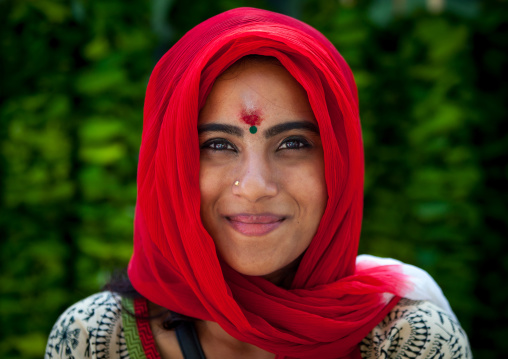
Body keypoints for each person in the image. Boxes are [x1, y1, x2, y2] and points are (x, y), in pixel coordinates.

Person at [45, 7, 471, 359]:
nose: (254, 186)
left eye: (293, 142)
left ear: (340, 166)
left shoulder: (408, 341)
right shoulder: (93, 339)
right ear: (170, 164)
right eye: (217, 144)